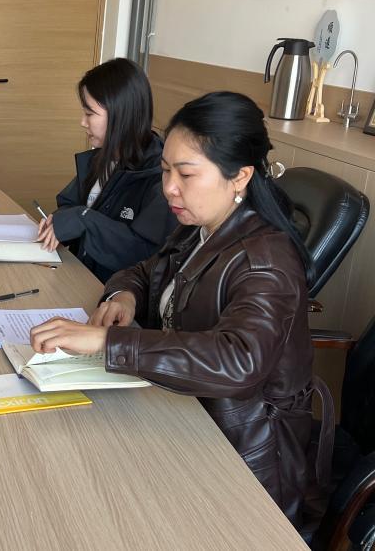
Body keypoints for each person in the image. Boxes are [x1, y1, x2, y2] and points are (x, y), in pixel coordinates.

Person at [28, 91, 316, 524]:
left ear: (239, 177)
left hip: (243, 457)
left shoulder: (265, 260)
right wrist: (124, 296)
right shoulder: (201, 225)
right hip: (180, 409)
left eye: (186, 173)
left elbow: (238, 361)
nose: (168, 188)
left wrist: (108, 342)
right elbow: (146, 271)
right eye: (165, 170)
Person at [37, 58, 176, 283]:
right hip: (77, 277)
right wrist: (61, 224)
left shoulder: (159, 177)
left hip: (115, 294)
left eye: (89, 114)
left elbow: (142, 253)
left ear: (120, 114)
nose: (83, 122)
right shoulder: (102, 158)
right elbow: (70, 205)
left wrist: (83, 219)